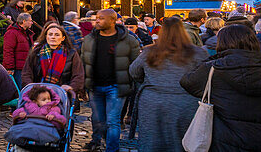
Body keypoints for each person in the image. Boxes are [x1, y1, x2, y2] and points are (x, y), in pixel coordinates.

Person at [181, 23, 261, 152]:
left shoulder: (215, 69)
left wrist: (216, 58)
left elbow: (187, 81)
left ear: (221, 44)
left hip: (227, 143)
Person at [127, 16, 207, 152]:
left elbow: (134, 72)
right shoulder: (198, 53)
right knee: (182, 140)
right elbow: (203, 77)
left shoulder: (149, 52)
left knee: (151, 139)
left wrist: (150, 81)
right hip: (186, 101)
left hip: (153, 101)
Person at [81, 9, 141, 152]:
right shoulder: (90, 39)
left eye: (101, 18)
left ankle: (112, 149)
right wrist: (83, 84)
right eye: (97, 18)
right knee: (98, 120)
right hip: (95, 85)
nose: (97, 21)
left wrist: (131, 81)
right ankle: (97, 141)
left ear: (113, 21)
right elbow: (84, 62)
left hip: (117, 86)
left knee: (112, 121)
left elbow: (136, 64)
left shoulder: (129, 40)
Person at [21, 23, 85, 95]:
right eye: (50, 34)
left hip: (63, 94)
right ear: (46, 37)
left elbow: (78, 75)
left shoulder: (71, 53)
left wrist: (71, 87)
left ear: (63, 38)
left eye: (57, 35)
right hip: (38, 94)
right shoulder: (36, 52)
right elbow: (27, 73)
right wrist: (32, 88)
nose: (53, 37)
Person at [2, 12, 35, 88]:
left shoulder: (27, 33)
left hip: (26, 67)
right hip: (18, 69)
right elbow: (8, 51)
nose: (32, 23)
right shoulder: (12, 33)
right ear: (23, 21)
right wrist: (9, 67)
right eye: (30, 21)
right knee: (20, 91)